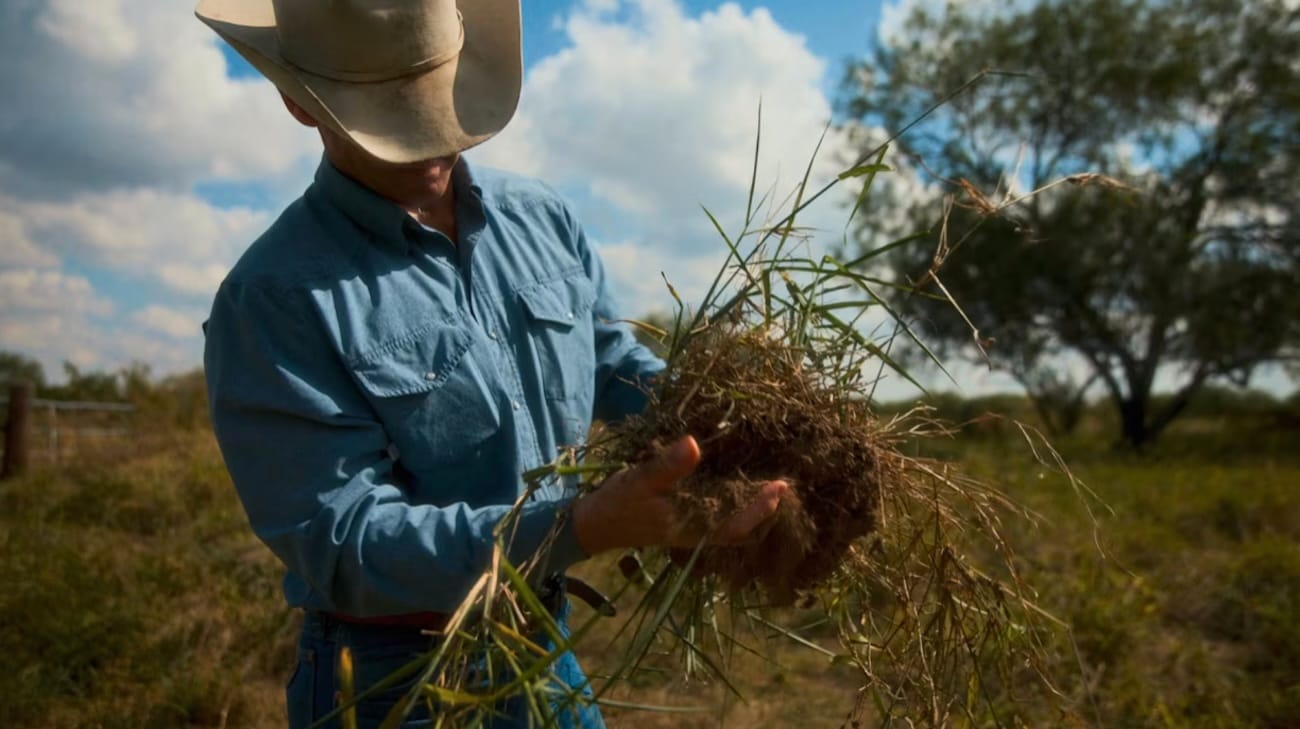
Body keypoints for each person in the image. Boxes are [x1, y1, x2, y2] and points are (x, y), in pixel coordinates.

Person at [196, 1, 788, 727]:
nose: (431, 139)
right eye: (392, 113)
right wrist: (581, 525)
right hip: (394, 680)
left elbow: (608, 360)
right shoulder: (275, 298)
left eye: (436, 94)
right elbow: (341, 539)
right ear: (299, 103)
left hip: (543, 640)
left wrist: (728, 419)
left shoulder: (540, 218)